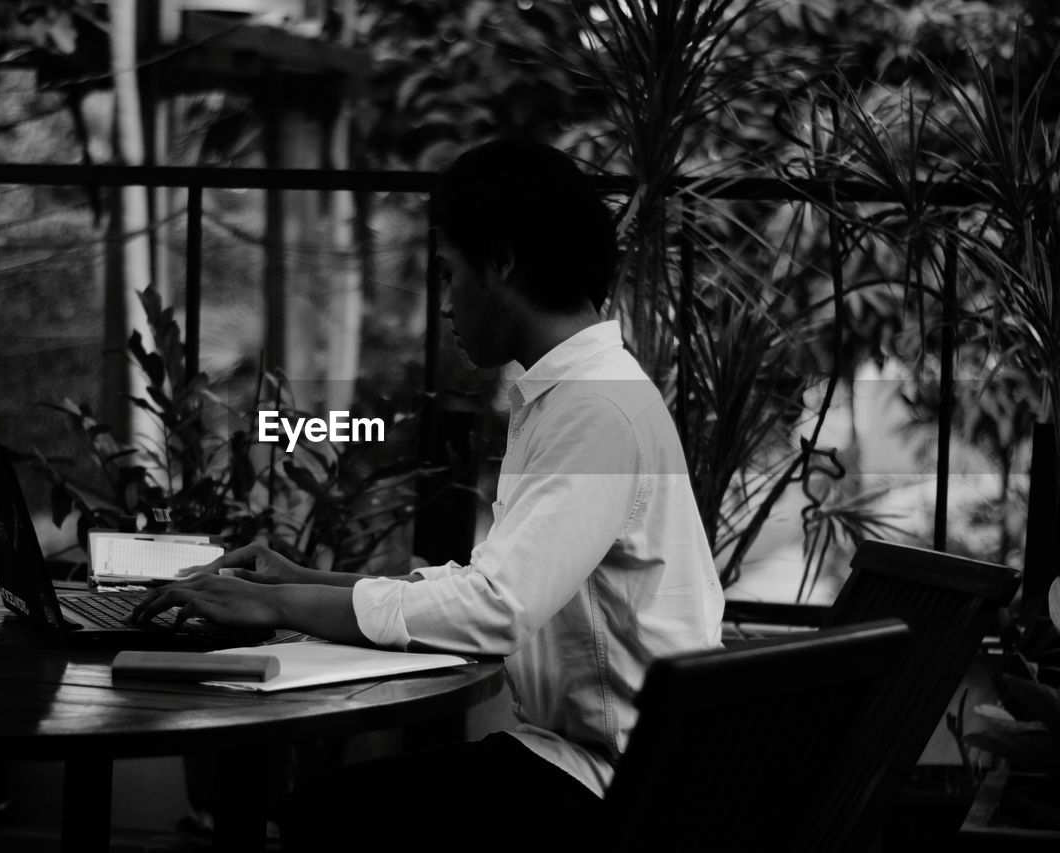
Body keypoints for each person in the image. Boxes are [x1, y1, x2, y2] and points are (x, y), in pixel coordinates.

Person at [129, 138, 725, 850]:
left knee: (332, 812)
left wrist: (279, 602)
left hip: (618, 791)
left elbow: (497, 608)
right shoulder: (580, 393)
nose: (443, 305)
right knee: (341, 806)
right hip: (620, 766)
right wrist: (309, 581)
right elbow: (494, 585)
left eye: (449, 275)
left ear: (501, 262)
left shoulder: (596, 409)